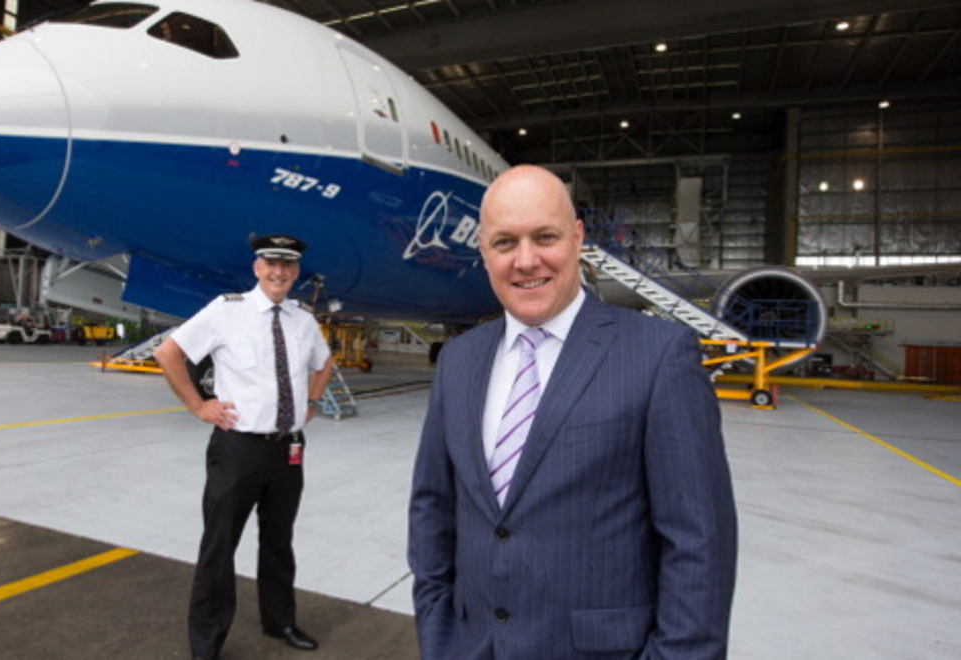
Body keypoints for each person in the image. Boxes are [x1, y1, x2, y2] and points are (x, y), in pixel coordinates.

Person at [407, 165, 737, 660]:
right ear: (483, 249)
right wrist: (439, 635)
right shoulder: (459, 359)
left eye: (545, 237)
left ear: (578, 237)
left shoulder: (659, 354)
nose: (526, 260)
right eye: (504, 242)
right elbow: (432, 508)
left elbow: (700, 545)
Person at [154, 234, 333, 660]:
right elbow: (168, 353)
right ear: (257, 268)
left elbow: (324, 363)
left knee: (278, 540)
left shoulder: (302, 320)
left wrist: (310, 402)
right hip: (239, 450)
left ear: (295, 272)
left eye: (288, 265)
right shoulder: (226, 311)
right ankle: (207, 643)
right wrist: (198, 405)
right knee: (219, 545)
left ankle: (280, 621)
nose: (280, 272)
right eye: (272, 263)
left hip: (288, 449)